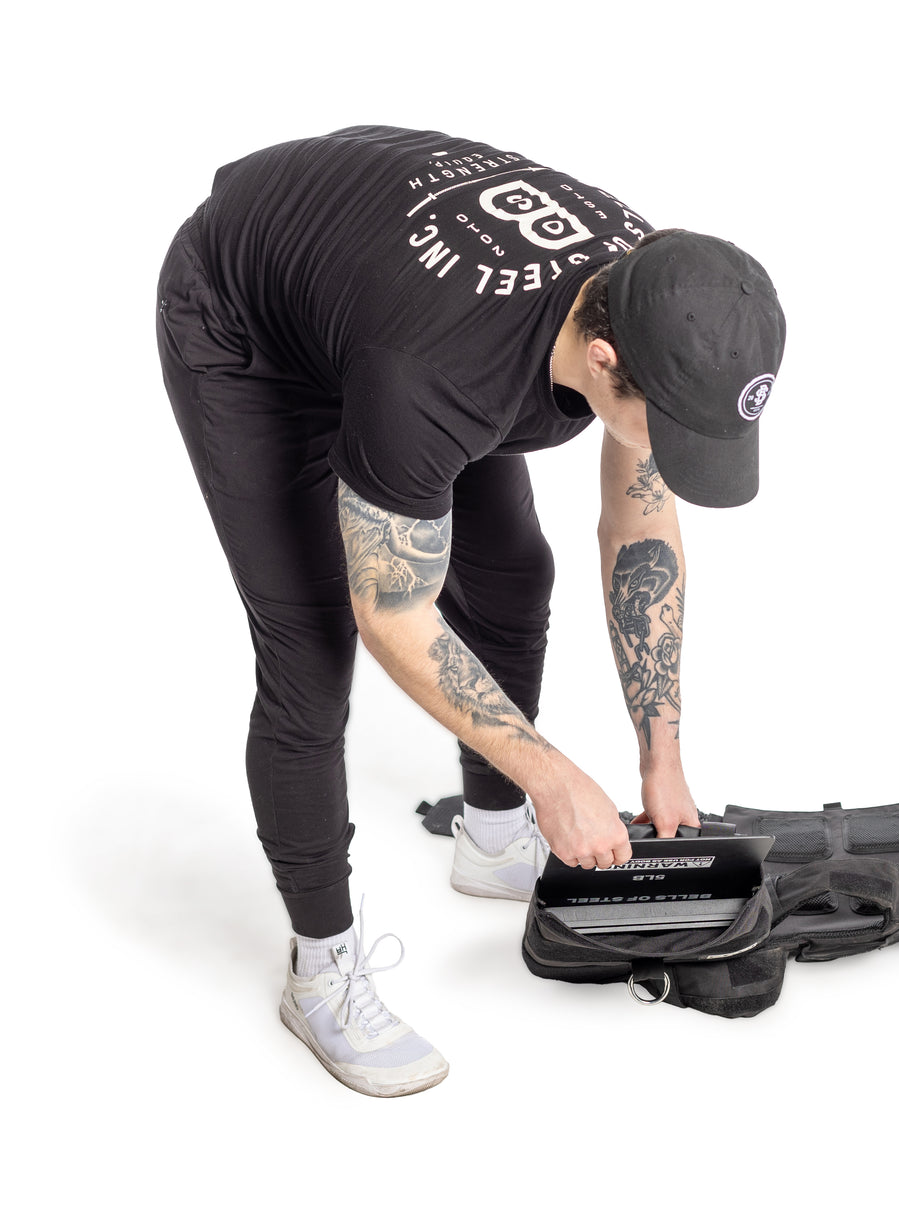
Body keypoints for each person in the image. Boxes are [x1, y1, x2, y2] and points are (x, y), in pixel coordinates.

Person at [156, 125, 786, 1097]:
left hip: (386, 303)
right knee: (311, 644)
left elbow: (638, 529)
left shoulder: (661, 298)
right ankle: (319, 970)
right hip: (247, 326)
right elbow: (394, 615)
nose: (674, 454)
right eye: (673, 433)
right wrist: (551, 772)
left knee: (512, 571)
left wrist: (658, 752)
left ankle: (491, 841)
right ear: (607, 357)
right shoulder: (434, 376)